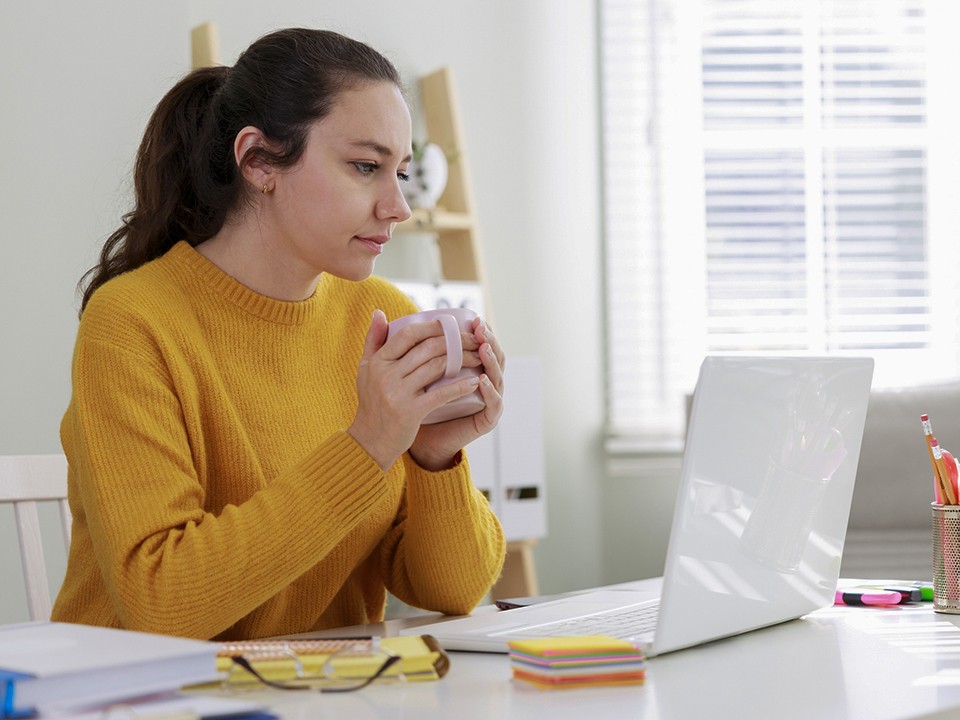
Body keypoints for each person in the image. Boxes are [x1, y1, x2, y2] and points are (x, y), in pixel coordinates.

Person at [51, 27, 507, 641]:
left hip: (319, 694)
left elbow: (451, 591)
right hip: (139, 696)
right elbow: (162, 603)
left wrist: (434, 456)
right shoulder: (132, 323)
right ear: (259, 161)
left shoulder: (377, 313)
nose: (398, 206)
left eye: (400, 171)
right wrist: (367, 444)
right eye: (366, 167)